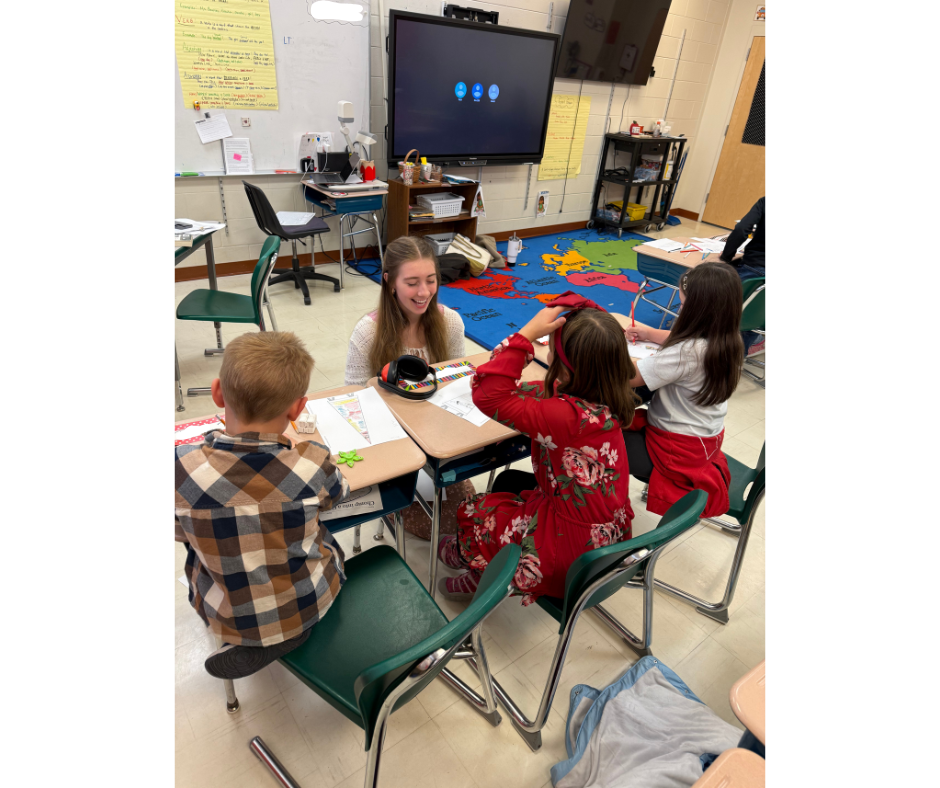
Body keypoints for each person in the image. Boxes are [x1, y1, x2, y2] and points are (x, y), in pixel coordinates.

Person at [437, 293, 639, 603]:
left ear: (565, 365)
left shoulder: (564, 417)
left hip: (567, 554)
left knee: (475, 511)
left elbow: (489, 396)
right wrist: (518, 399)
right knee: (505, 495)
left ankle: (477, 569)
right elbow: (539, 394)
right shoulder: (606, 394)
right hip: (604, 539)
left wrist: (527, 334)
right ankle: (480, 558)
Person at [174, 332, 350, 680]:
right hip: (311, 598)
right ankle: (291, 631)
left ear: (218, 393)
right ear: (298, 408)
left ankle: (251, 637)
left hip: (227, 613)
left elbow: (181, 531)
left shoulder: (182, 468)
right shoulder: (313, 463)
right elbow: (338, 492)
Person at [344, 235, 472, 539]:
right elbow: (352, 402)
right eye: (412, 282)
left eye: (431, 280)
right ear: (390, 282)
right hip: (392, 447)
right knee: (438, 525)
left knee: (467, 509)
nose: (424, 291)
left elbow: (459, 385)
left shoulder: (450, 322)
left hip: (438, 440)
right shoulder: (368, 333)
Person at [623, 263, 744, 519]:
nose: (679, 308)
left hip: (675, 450)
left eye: (682, 303)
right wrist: (650, 333)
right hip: (703, 441)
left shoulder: (688, 353)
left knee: (591, 439)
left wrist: (605, 350)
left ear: (700, 309)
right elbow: (686, 342)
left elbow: (632, 376)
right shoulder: (729, 340)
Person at [720, 195, 766, 354]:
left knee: (716, 301)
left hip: (755, 267)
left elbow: (741, 229)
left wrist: (726, 257)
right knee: (756, 310)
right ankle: (738, 356)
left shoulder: (764, 202)